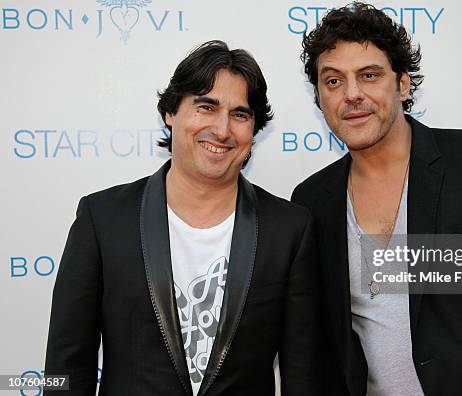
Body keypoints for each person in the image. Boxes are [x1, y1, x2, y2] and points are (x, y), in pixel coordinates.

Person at [291, 3, 462, 395]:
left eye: (369, 75)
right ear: (320, 95)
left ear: (402, 83)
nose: (351, 94)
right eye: (333, 81)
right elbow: (321, 346)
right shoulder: (311, 200)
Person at [45, 40, 320, 396]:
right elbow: (65, 369)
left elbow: (304, 376)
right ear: (171, 112)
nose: (222, 130)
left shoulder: (290, 230)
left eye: (240, 114)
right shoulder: (102, 219)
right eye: (206, 107)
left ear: (253, 129)